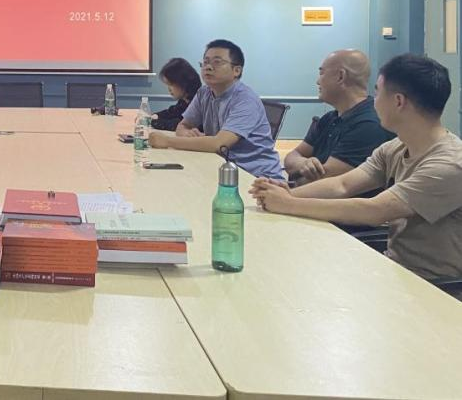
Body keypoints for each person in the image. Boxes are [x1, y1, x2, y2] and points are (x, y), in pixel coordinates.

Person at [251, 54, 462, 282]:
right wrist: (286, 193)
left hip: (435, 287)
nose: (373, 101)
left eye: (378, 92)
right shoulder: (395, 147)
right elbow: (342, 185)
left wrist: (289, 204)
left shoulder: (450, 164)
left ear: (398, 101)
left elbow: (376, 211)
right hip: (394, 270)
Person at [148, 39, 283, 179]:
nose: (208, 67)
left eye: (217, 62)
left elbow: (219, 144)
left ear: (236, 70)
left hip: (257, 177)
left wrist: (167, 141)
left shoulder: (245, 99)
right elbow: (182, 126)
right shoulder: (204, 93)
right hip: (220, 167)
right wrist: (187, 133)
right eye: (205, 62)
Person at [282, 49, 394, 184]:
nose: (318, 81)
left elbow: (325, 183)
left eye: (322, 73)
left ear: (340, 76)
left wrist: (294, 177)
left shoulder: (368, 126)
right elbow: (291, 157)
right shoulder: (329, 118)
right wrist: (302, 164)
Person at [152, 57, 202, 131]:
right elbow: (171, 112)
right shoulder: (184, 100)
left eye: (171, 84)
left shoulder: (198, 101)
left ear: (183, 82)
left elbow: (177, 124)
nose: (169, 89)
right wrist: (152, 116)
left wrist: (153, 121)